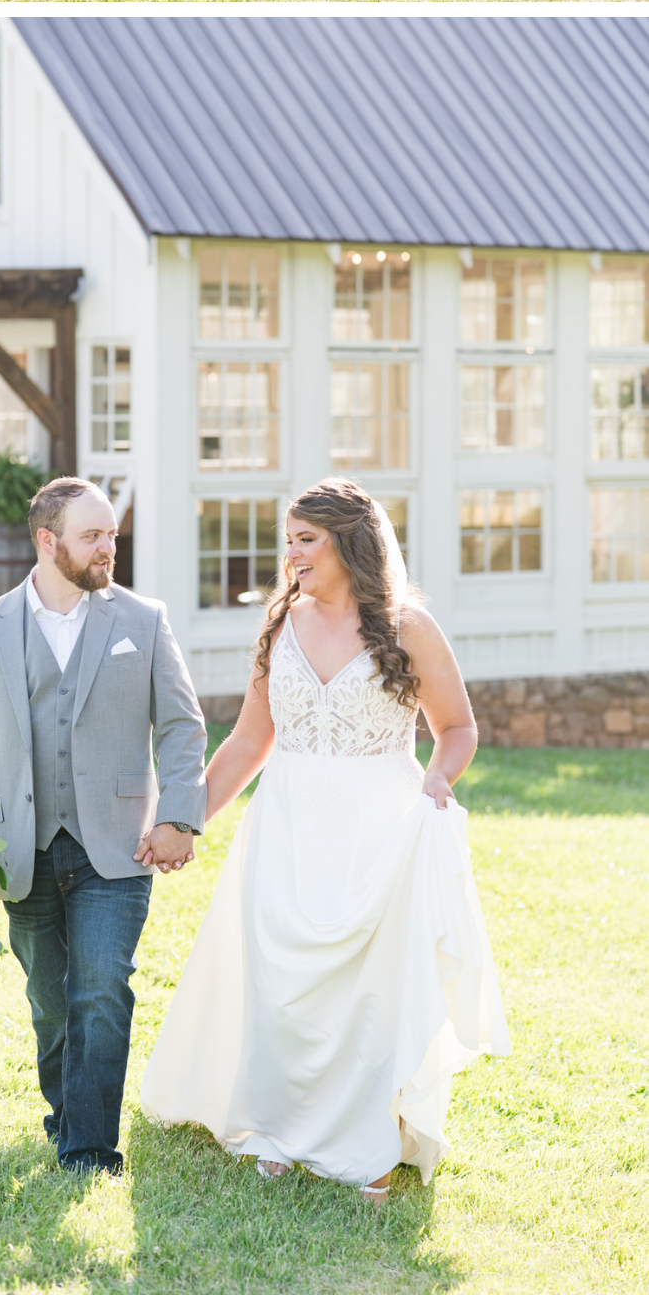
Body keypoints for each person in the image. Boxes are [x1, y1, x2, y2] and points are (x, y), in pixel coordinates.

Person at [140, 478, 509, 1201]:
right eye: (289, 541)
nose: (292, 556)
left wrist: (438, 780)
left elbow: (457, 728)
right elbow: (249, 742)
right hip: (286, 826)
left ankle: (370, 1141)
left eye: (306, 540)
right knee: (282, 988)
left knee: (370, 994)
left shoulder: (409, 628)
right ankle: (281, 1128)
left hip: (379, 828)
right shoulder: (281, 626)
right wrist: (183, 819)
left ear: (350, 543)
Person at [0, 476, 207, 1175]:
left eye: (112, 533)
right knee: (51, 1004)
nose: (110, 546)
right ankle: (66, 1115)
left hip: (117, 845)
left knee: (102, 989)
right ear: (48, 542)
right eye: (93, 535)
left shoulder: (142, 622)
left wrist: (179, 817)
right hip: (21, 850)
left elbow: (180, 726)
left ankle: (88, 1149)